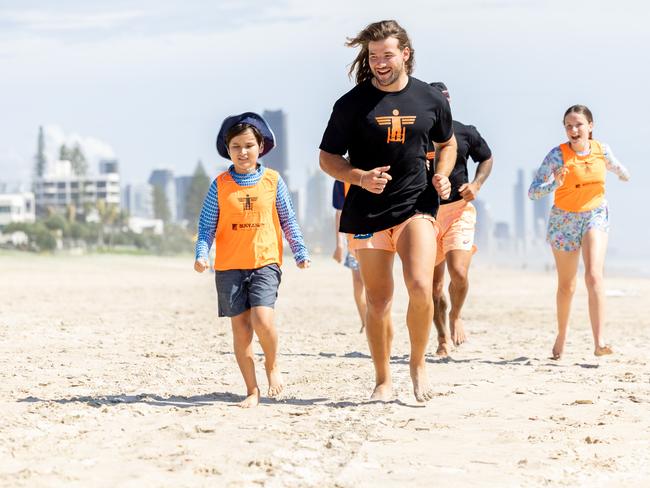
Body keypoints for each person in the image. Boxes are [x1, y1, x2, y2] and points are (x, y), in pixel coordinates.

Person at [319, 20, 457, 402]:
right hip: (367, 210)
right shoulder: (351, 104)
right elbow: (328, 158)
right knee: (378, 301)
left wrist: (442, 175)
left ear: (405, 54)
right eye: (374, 56)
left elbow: (448, 144)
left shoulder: (430, 98)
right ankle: (382, 378)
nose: (380, 62)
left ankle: (417, 365)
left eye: (387, 55)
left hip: (416, 205)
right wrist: (359, 177)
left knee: (420, 285)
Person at [194, 112, 310, 408]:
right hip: (229, 266)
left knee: (262, 318)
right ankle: (252, 389)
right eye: (236, 146)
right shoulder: (219, 184)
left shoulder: (273, 180)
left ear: (260, 146)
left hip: (265, 261)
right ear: (227, 149)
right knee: (242, 330)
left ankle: (272, 365)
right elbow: (206, 225)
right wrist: (201, 254)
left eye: (248, 145)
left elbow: (288, 218)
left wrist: (299, 250)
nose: (242, 152)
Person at [528, 104, 630, 360]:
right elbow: (533, 192)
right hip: (564, 220)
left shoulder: (601, 150)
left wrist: (623, 174)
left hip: (594, 214)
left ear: (590, 127)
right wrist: (555, 182)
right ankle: (562, 335)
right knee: (567, 285)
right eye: (569, 126)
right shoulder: (556, 155)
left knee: (594, 275)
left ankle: (599, 342)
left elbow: (615, 165)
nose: (573, 130)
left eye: (579, 124)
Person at [427, 82, 494, 357]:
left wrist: (476, 185)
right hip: (425, 214)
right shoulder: (414, 134)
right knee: (433, 286)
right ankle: (442, 336)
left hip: (458, 211)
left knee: (459, 273)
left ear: (449, 102)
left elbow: (487, 158)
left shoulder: (465, 132)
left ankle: (456, 314)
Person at [332, 180, 367, 333]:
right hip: (353, 238)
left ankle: (377, 318)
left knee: (375, 283)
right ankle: (365, 322)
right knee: (358, 283)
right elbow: (339, 212)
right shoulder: (341, 178)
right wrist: (339, 244)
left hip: (378, 235)